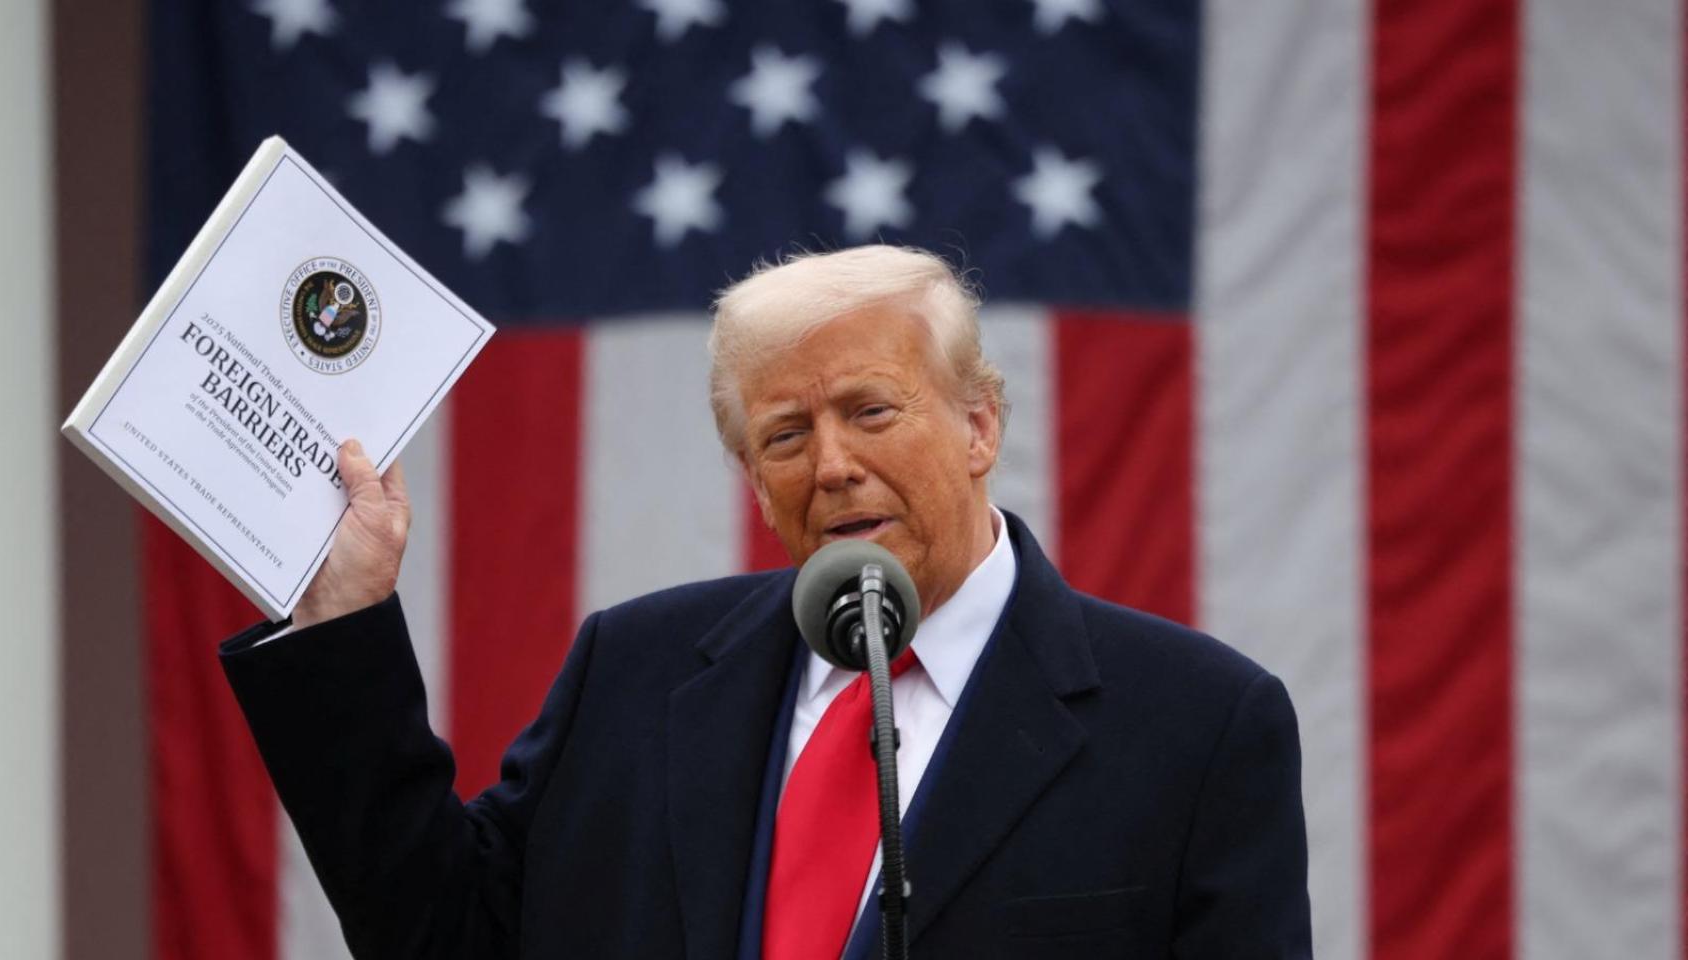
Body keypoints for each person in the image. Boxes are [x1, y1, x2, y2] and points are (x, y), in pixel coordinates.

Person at [220, 245, 1311, 958]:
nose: (829, 465)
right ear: (753, 477)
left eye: (870, 412)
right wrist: (346, 620)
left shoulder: (1195, 728)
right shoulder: (635, 673)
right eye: (785, 435)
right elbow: (442, 938)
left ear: (979, 426)